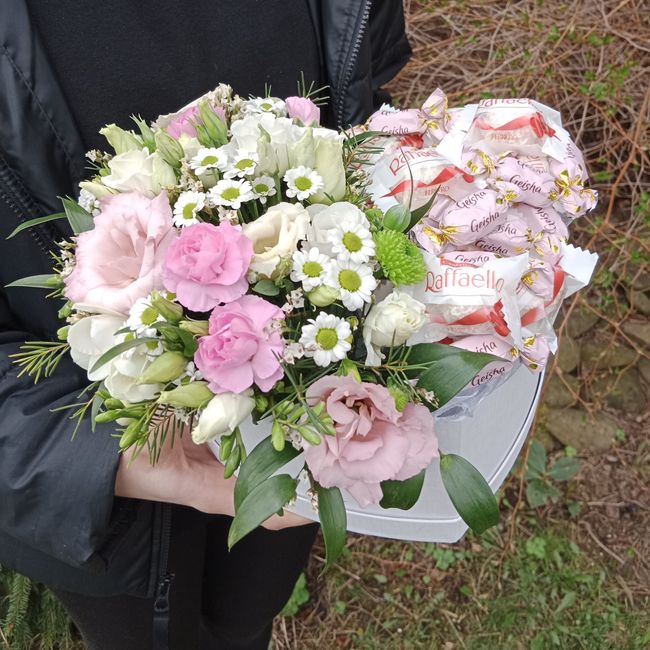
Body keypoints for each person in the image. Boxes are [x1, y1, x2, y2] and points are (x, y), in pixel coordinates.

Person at [0, 1, 411, 648]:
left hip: (289, 434)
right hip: (98, 497)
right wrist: (98, 459)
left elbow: (366, 91)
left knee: (250, 612)